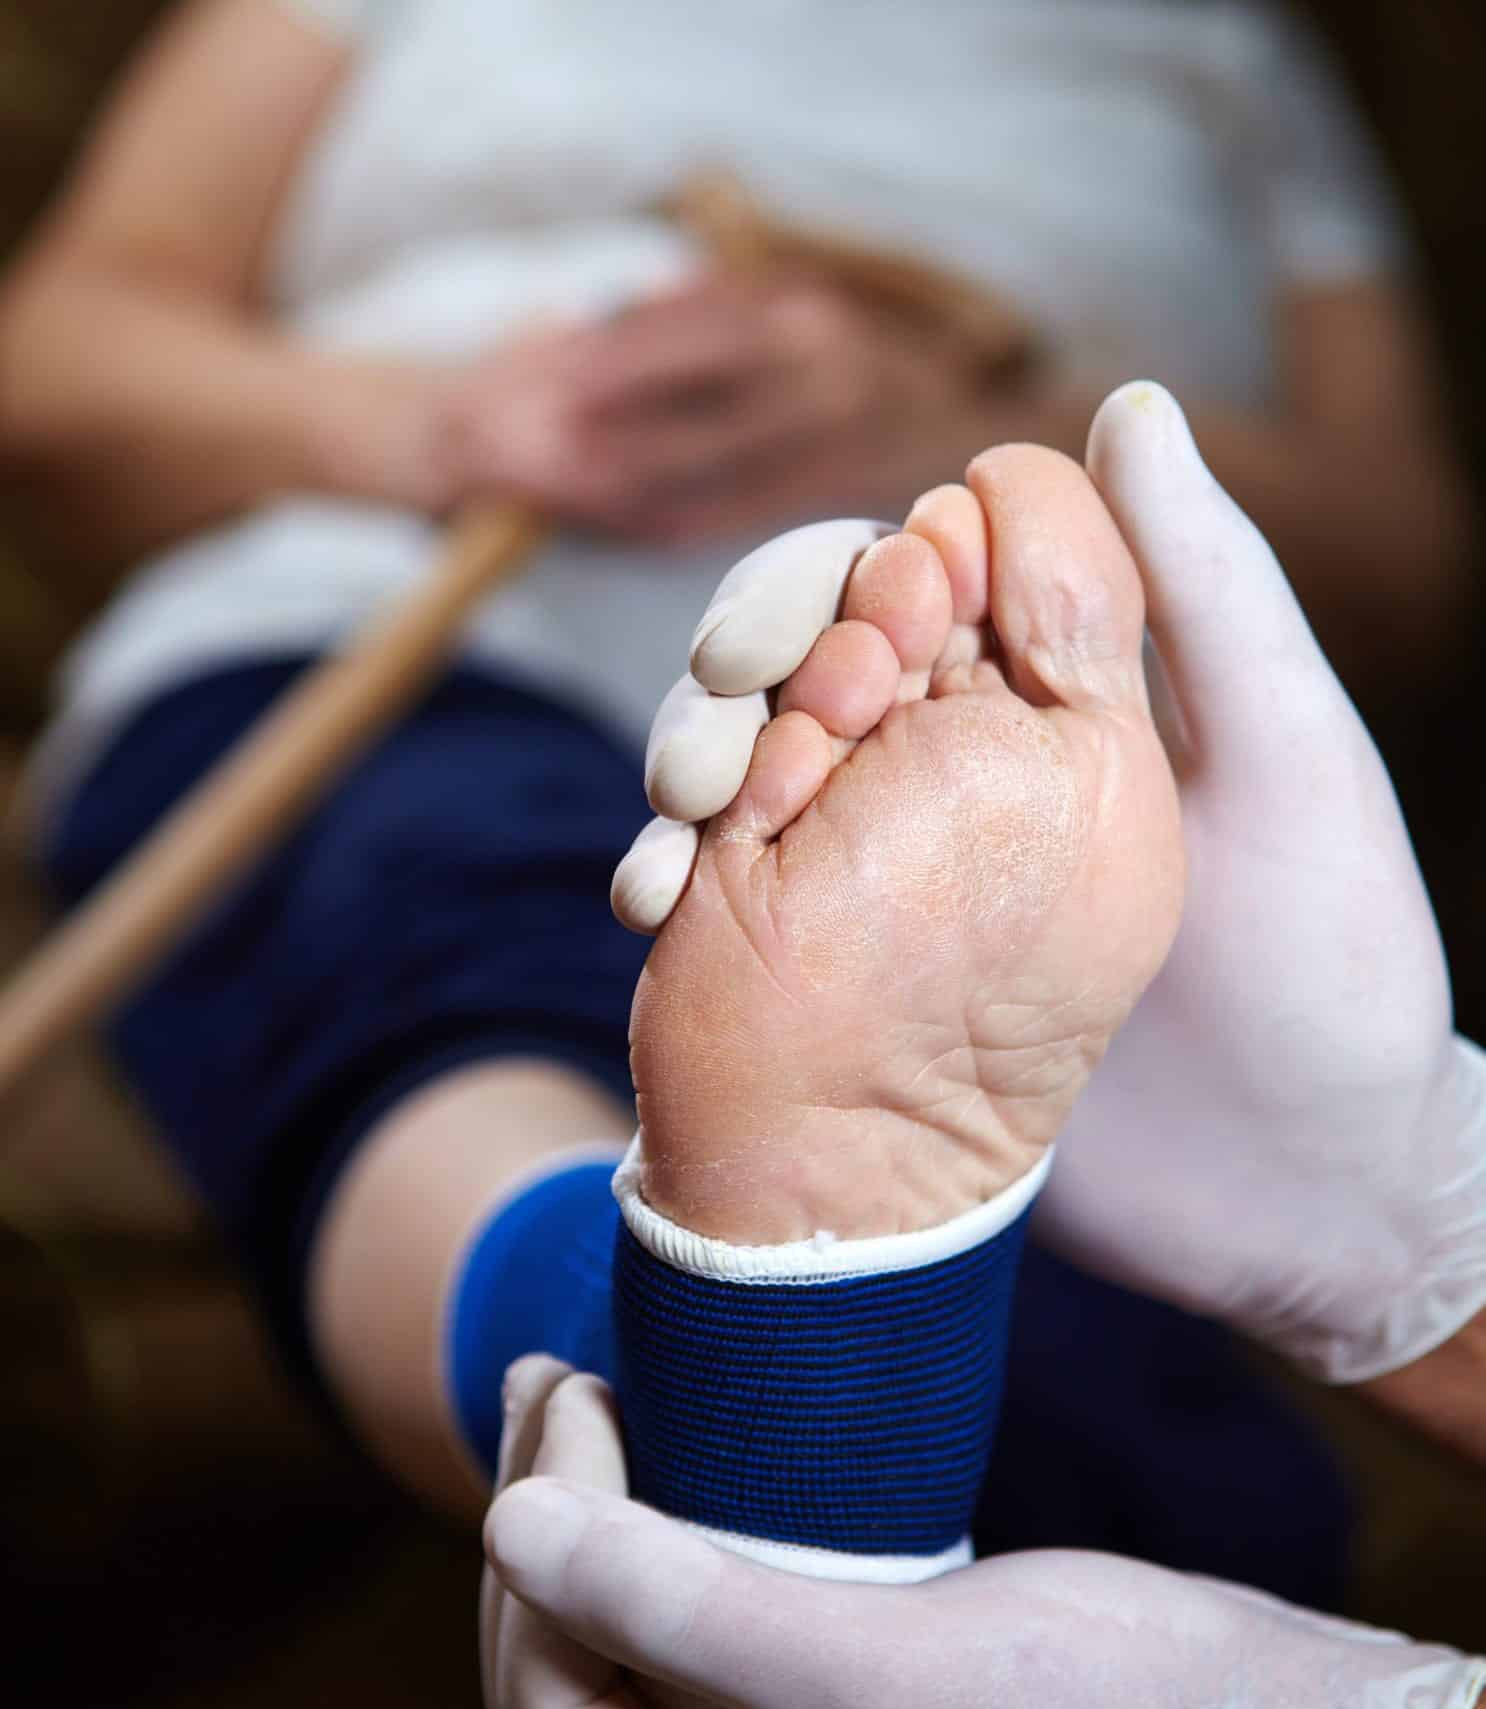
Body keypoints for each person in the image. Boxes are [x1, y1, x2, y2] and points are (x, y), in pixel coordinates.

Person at [0, 0, 1455, 1546]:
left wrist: (958, 432)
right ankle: (714, 1386)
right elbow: (60, 359)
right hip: (394, 633)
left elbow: (1404, 566)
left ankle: (708, 1400)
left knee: (909, 1052)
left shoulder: (1217, 39)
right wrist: (443, 428)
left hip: (993, 751)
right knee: (435, 896)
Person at [481, 380, 1486, 1709]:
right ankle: (778, 1494)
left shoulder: (1238, 126)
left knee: (457, 999)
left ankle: (768, 1485)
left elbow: (1406, 555)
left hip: (728, 716)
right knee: (439, 926)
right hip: (384, 624)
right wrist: (1441, 1273)